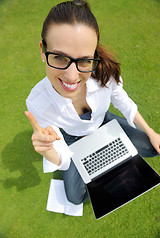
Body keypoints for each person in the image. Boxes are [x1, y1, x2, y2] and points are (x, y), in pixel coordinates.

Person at [25, 0, 160, 205]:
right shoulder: (38, 102)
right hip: (72, 139)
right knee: (75, 198)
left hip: (103, 123)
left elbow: (123, 102)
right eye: (60, 57)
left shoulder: (103, 72)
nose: (72, 76)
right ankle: (102, 155)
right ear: (43, 51)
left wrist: (151, 132)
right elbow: (60, 154)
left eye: (84, 60)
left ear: (94, 55)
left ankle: (106, 151)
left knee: (151, 147)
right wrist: (47, 151)